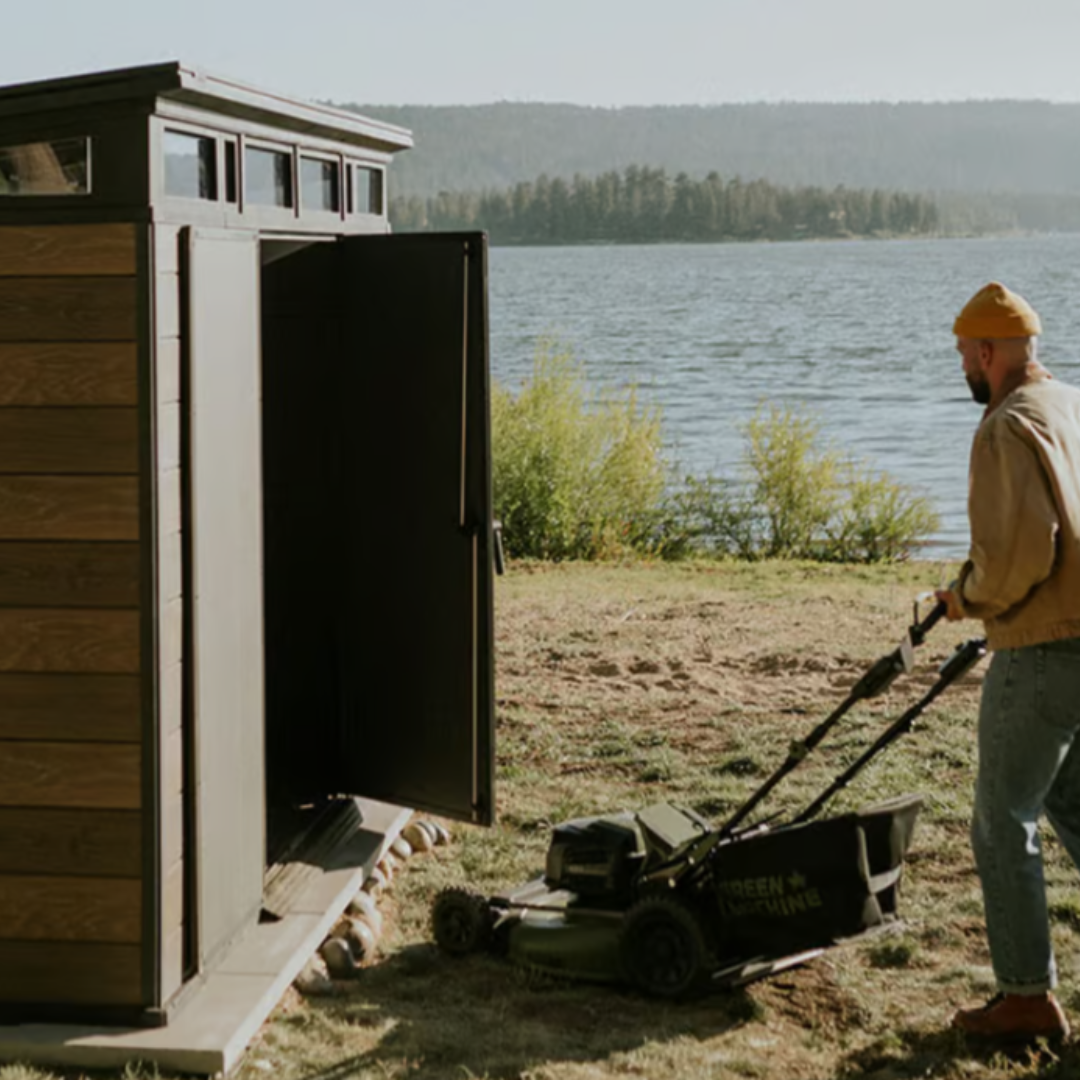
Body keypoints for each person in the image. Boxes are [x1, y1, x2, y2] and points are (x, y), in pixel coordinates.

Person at [935, 282, 1080, 1044]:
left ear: (988, 353)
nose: (964, 366)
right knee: (1073, 804)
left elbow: (1022, 556)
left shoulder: (1006, 426)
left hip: (1043, 647)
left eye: (965, 354)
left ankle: (1025, 1000)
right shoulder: (1071, 405)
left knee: (1002, 818)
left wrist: (966, 598)